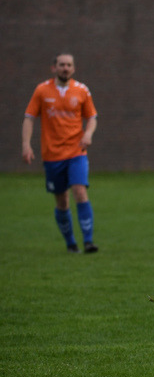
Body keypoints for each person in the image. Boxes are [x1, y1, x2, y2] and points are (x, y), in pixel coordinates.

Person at [22, 53, 100, 253]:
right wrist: (26, 144)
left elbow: (92, 117)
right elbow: (29, 117)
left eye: (69, 65)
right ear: (54, 68)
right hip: (52, 154)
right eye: (62, 65)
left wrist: (88, 134)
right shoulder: (42, 90)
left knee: (80, 191)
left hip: (76, 151)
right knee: (62, 200)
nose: (65, 68)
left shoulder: (82, 90)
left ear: (74, 69)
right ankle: (70, 243)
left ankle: (89, 242)